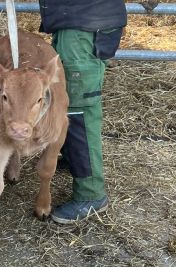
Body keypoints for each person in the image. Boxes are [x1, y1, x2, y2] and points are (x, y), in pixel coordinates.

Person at [38, 0, 127, 223]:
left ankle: (91, 194)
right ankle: (72, 158)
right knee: (64, 99)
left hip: (85, 23)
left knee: (79, 110)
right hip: (79, 21)